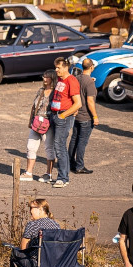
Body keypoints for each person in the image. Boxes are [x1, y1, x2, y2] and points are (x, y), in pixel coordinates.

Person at [9, 198, 62, 267]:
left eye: (32, 208)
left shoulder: (33, 225)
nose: (30, 211)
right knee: (33, 260)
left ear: (41, 209)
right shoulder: (56, 225)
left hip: (38, 265)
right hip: (56, 265)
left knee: (15, 252)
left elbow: (23, 248)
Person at [50, 57, 82, 189]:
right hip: (56, 114)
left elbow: (78, 103)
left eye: (58, 67)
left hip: (63, 116)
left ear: (65, 67)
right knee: (58, 146)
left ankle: (63, 178)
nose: (56, 70)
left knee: (59, 146)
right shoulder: (60, 79)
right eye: (55, 67)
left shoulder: (71, 81)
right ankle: (64, 176)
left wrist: (63, 115)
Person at [21, 70, 57, 183]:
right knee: (30, 147)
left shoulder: (55, 92)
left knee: (49, 149)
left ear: (52, 78)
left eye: (47, 77)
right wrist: (31, 121)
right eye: (44, 76)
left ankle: (48, 174)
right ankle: (29, 173)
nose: (44, 79)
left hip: (48, 124)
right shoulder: (41, 91)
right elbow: (34, 107)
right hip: (36, 123)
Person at [69, 56, 99, 175]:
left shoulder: (77, 78)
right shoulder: (89, 82)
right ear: (91, 67)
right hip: (86, 116)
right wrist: (95, 117)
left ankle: (70, 163)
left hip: (76, 114)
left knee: (74, 139)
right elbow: (90, 101)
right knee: (82, 141)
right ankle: (79, 166)